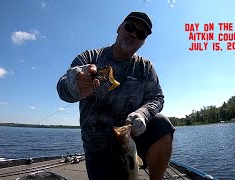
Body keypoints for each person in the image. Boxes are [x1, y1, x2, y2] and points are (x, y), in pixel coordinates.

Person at [57, 11, 175, 180]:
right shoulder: (90, 58)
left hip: (132, 138)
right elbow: (62, 90)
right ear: (119, 28)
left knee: (161, 124)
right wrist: (75, 84)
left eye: (140, 34)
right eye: (130, 27)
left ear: (143, 42)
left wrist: (143, 114)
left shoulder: (146, 67)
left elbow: (157, 98)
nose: (133, 34)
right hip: (97, 145)